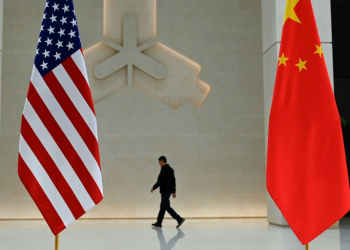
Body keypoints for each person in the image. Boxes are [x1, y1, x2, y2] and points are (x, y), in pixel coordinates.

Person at [151, 156, 185, 228]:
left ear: (162, 161)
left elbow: (160, 180)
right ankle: (159, 222)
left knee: (166, 206)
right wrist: (173, 191)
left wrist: (154, 187)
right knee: (162, 206)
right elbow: (173, 181)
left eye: (159, 162)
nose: (159, 164)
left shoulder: (164, 169)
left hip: (164, 191)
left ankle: (179, 219)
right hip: (169, 191)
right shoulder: (171, 169)